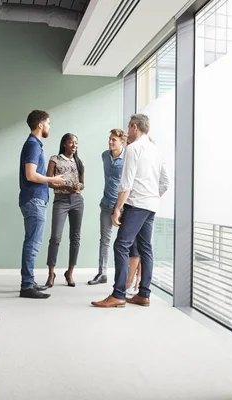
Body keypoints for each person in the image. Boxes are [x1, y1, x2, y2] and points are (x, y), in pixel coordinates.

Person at [91, 114, 169, 308]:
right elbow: (165, 182)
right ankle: (144, 294)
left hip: (136, 205)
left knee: (121, 245)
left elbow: (126, 183)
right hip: (151, 205)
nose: (128, 131)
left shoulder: (133, 149)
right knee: (145, 248)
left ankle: (118, 294)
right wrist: (152, 196)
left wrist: (117, 208)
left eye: (129, 127)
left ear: (134, 127)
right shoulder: (156, 150)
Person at [19, 110, 65, 299]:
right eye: (48, 123)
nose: (49, 126)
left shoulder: (34, 144)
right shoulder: (33, 145)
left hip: (34, 199)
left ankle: (28, 281)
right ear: (40, 125)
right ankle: (27, 285)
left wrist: (49, 181)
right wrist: (51, 179)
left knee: (31, 242)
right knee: (33, 244)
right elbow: (30, 175)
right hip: (34, 200)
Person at [88, 129, 142, 289]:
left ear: (122, 142)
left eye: (114, 140)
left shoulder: (128, 157)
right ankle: (102, 273)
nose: (110, 142)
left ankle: (127, 278)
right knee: (104, 240)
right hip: (106, 205)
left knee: (127, 243)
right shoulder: (105, 155)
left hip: (124, 207)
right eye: (110, 139)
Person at [45, 133, 85, 288]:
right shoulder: (54, 160)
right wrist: (65, 187)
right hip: (61, 201)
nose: (74, 145)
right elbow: (49, 182)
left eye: (76, 142)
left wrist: (78, 187)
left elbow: (82, 183)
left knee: (75, 238)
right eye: (71, 142)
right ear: (64, 144)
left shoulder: (79, 162)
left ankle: (70, 272)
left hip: (77, 201)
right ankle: (51, 273)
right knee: (55, 237)